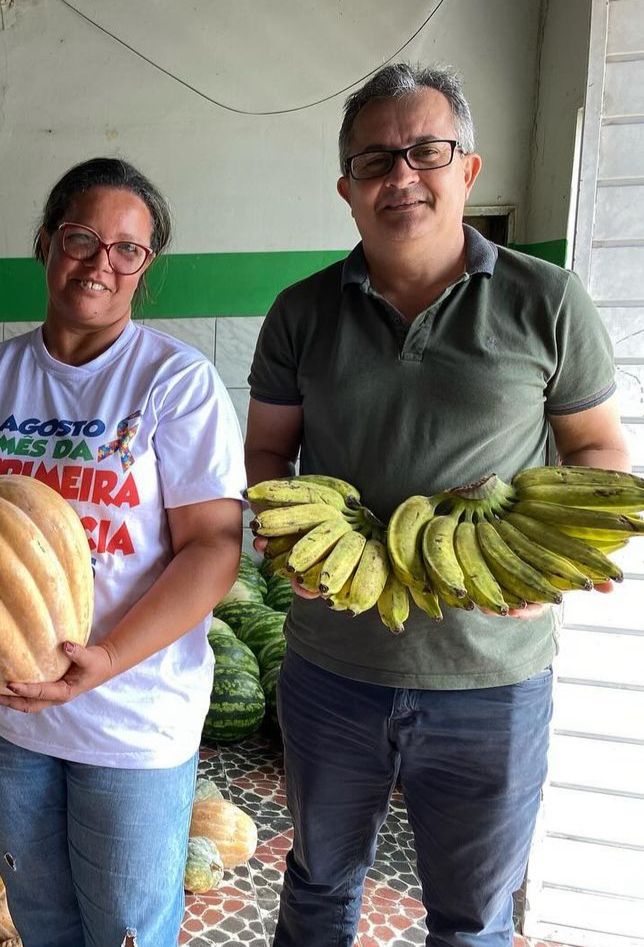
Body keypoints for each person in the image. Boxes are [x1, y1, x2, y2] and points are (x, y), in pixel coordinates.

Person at [244, 62, 630, 946]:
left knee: (473, 916)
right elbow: (268, 451)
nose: (401, 176)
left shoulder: (549, 303)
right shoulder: (300, 313)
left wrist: (554, 565)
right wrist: (282, 538)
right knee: (316, 888)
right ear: (346, 188)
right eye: (375, 160)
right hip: (335, 664)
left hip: (493, 673)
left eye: (426, 150)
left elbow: (600, 450)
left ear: (469, 169)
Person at [0, 157, 246, 947]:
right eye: (82, 237)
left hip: (133, 719)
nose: (101, 261)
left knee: (126, 931)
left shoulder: (174, 382)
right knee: (41, 921)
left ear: (145, 267)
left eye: (127, 249)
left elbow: (213, 547)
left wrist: (104, 656)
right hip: (3, 721)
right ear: (46, 243)